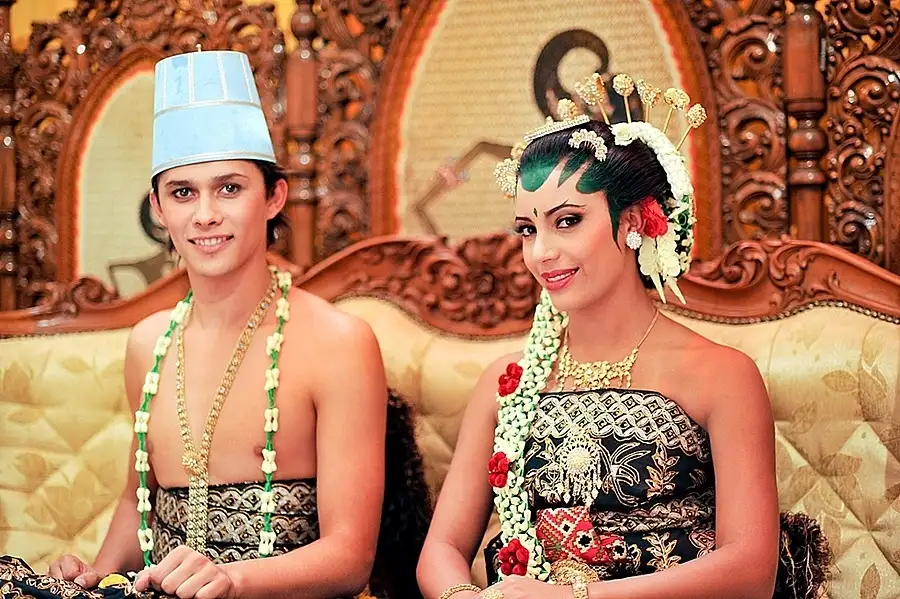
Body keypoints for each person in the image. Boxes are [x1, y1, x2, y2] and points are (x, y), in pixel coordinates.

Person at [416, 74, 830, 599]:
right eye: (527, 229)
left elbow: (750, 571)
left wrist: (575, 598)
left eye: (567, 221)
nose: (541, 253)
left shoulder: (721, 376)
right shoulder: (507, 383)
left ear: (634, 221)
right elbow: (442, 550)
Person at [1, 49, 392, 599]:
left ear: (273, 196)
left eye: (229, 188)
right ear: (159, 209)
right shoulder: (149, 344)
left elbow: (350, 558)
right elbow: (138, 499)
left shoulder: (339, 343)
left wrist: (232, 579)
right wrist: (93, 575)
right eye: (183, 193)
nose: (205, 214)